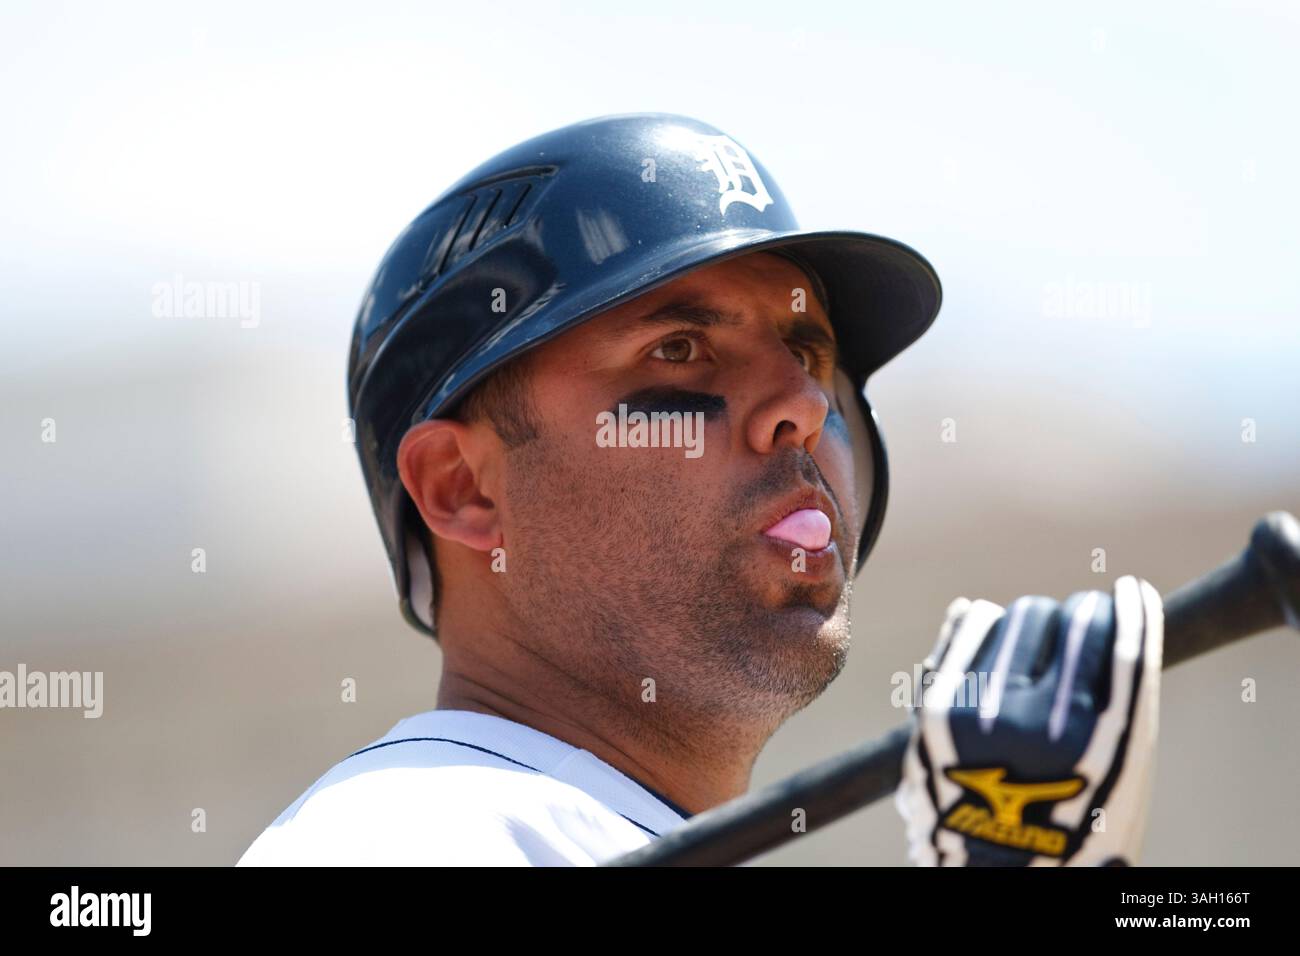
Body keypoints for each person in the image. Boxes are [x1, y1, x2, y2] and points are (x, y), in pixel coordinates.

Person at [238, 114, 1161, 866]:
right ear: (463, 487)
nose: (800, 403)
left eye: (808, 354)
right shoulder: (402, 841)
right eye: (678, 351)